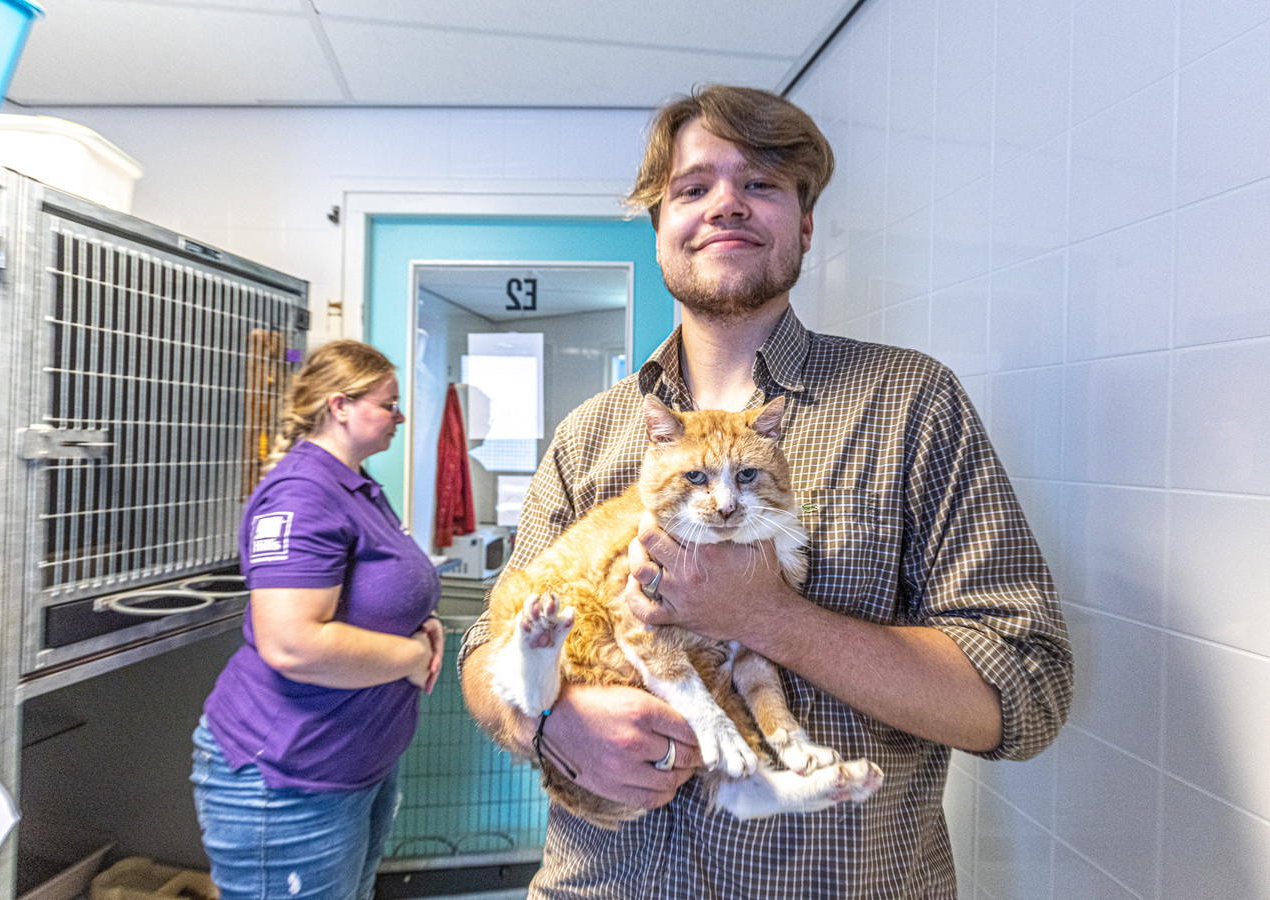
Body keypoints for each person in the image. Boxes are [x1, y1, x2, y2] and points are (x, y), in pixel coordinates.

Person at [458, 84, 1073, 897]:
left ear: (804, 223)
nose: (724, 205)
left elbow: (1023, 694)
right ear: (658, 229)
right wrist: (546, 724)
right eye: (692, 187)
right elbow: (482, 651)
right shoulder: (592, 434)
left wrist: (765, 615)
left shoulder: (908, 405)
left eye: (759, 184)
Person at [192, 339, 445, 900]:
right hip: (289, 776)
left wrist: (421, 625)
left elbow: (375, 595)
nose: (399, 416)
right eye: (388, 403)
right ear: (340, 406)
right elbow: (292, 644)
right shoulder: (302, 494)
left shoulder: (354, 484)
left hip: (354, 763)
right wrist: (413, 657)